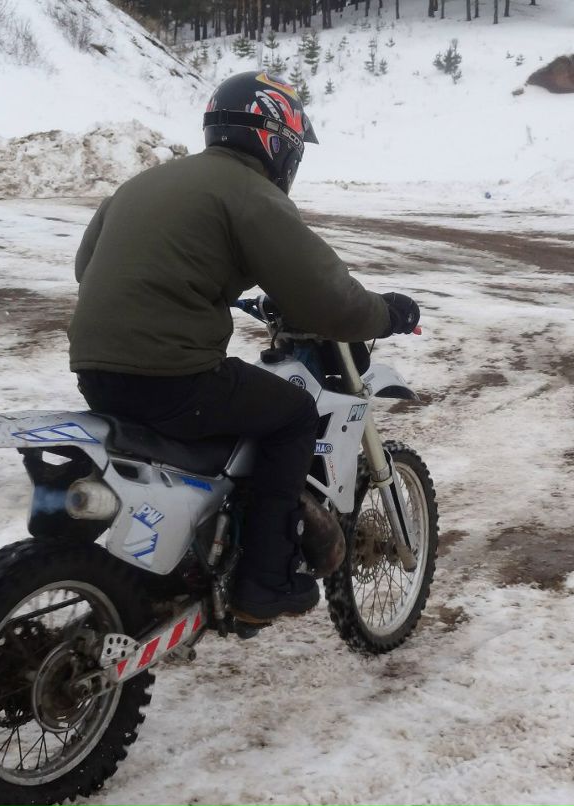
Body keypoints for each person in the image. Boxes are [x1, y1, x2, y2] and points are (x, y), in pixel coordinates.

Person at [68, 71, 420, 624]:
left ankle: (193, 550)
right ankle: (262, 584)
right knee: (292, 416)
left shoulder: (143, 183)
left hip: (96, 370)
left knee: (223, 430)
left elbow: (86, 267)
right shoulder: (250, 193)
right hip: (173, 375)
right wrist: (386, 313)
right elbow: (327, 298)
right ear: (276, 139)